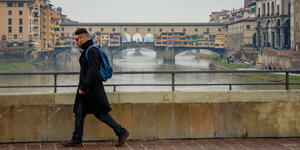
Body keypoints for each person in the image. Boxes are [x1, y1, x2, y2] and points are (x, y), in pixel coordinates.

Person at [62, 28, 129, 147]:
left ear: (83, 38)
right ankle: (76, 139)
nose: (76, 42)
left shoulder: (91, 51)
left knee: (101, 114)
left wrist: (83, 86)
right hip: (87, 89)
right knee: (79, 113)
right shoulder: (88, 50)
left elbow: (93, 71)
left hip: (91, 90)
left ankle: (121, 131)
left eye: (77, 39)